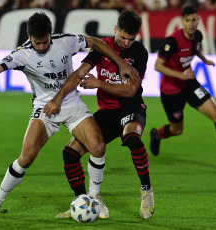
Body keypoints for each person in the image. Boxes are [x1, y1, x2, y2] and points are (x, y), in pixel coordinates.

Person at [0, 11, 139, 218]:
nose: (42, 47)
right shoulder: (22, 54)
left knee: (98, 146)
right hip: (44, 107)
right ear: (29, 37)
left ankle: (94, 198)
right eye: (37, 43)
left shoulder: (65, 41)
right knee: (27, 157)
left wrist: (121, 63)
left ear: (50, 35)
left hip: (72, 103)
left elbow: (96, 42)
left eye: (45, 42)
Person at [43, 9, 154, 219]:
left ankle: (146, 192)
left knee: (132, 138)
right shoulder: (101, 47)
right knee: (70, 153)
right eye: (123, 37)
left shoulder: (140, 52)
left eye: (131, 38)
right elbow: (79, 73)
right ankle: (85, 201)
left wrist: (98, 83)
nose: (127, 42)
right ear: (115, 30)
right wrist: (58, 98)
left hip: (132, 108)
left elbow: (130, 90)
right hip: (107, 112)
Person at [150, 5, 216, 169]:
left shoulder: (198, 36)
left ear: (198, 20)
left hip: (189, 85)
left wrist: (204, 59)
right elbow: (158, 66)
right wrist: (181, 75)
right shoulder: (172, 41)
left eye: (193, 19)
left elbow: (194, 50)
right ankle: (157, 135)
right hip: (171, 91)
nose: (191, 23)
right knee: (177, 130)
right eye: (187, 20)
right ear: (182, 21)